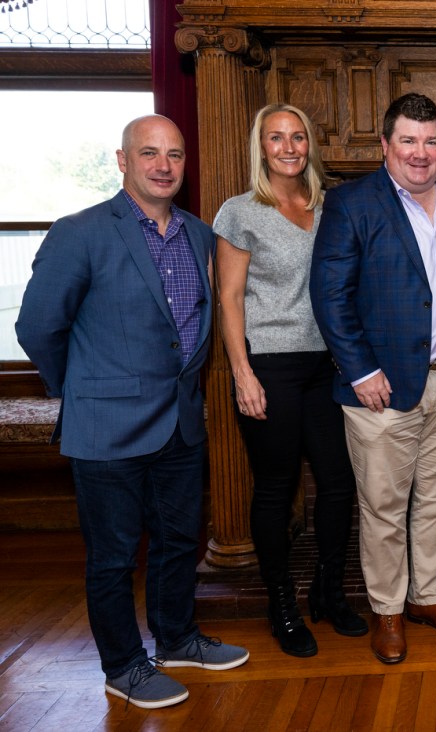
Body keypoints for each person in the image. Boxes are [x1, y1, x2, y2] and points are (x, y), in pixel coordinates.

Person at [15, 115, 248, 710]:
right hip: (105, 427)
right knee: (114, 556)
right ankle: (124, 666)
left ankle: (176, 639)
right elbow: (38, 326)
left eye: (174, 154)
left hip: (179, 421)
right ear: (123, 161)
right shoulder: (82, 232)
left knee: (177, 542)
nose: (164, 165)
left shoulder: (199, 235)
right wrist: (82, 386)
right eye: (149, 153)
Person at [310, 93, 436, 665]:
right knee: (383, 506)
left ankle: (428, 598)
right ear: (385, 145)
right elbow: (330, 294)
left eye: (431, 141)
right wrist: (360, 369)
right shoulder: (351, 202)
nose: (420, 153)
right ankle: (387, 609)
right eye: (408, 140)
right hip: (379, 388)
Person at [213, 103, 365, 659]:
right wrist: (242, 373)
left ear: (310, 144)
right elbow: (228, 298)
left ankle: (329, 589)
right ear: (261, 146)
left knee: (338, 483)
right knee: (277, 488)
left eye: (297, 136)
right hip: (269, 367)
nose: (288, 147)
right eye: (276, 138)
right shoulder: (240, 211)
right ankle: (282, 605)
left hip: (327, 366)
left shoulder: (332, 205)